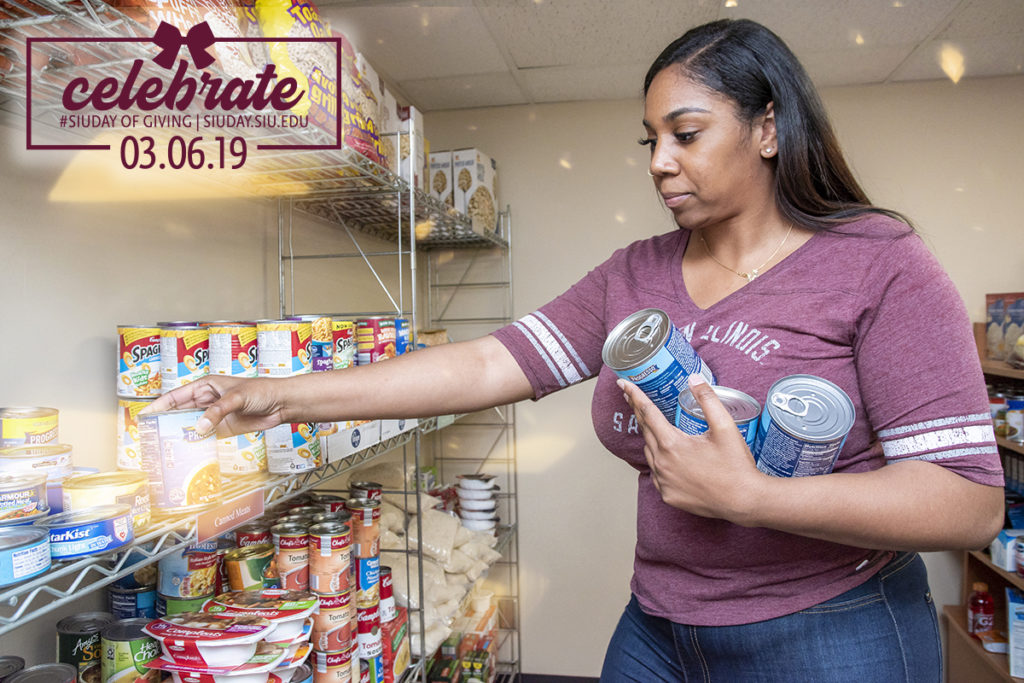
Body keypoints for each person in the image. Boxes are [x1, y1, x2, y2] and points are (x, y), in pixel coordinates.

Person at [146, 18, 1004, 682]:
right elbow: (488, 364)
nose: (660, 162)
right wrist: (281, 393)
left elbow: (965, 502)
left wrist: (750, 496)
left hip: (830, 627)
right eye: (650, 140)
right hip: (662, 624)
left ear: (769, 128)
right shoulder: (637, 274)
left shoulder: (877, 260)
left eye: (687, 133)